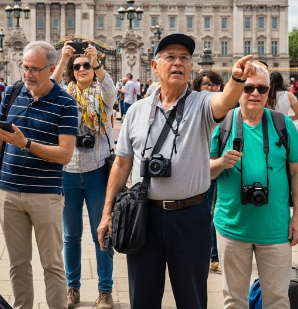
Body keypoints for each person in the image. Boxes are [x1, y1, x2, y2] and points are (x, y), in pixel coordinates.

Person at [97, 34, 257, 309]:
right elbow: (122, 164)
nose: (178, 63)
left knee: (192, 299)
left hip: (190, 217)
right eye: (170, 57)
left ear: (191, 67)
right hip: (143, 216)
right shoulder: (136, 110)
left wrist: (237, 79)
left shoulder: (201, 103)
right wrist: (106, 213)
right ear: (154, 65)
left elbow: (226, 100)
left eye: (184, 58)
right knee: (143, 299)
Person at [210, 65, 298, 309]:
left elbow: (297, 171)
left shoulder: (282, 123)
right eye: (248, 87)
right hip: (232, 227)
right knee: (234, 301)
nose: (255, 93)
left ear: (269, 91)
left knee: (277, 301)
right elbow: (205, 171)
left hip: (275, 228)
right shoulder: (221, 124)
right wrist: (221, 162)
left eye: (261, 88)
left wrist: (297, 217)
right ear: (238, 90)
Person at [0, 41, 79, 309]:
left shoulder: (66, 103)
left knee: (52, 264)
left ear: (52, 69)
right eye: (24, 67)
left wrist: (26, 144)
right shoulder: (11, 93)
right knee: (17, 263)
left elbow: (65, 154)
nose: (27, 74)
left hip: (45, 194)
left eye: (34, 69)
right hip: (8, 191)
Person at [51, 41, 117, 309]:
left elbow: (111, 90)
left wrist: (98, 62)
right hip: (67, 172)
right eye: (76, 66)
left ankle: (105, 291)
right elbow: (48, 90)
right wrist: (60, 61)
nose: (81, 69)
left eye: (86, 65)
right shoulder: (63, 95)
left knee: (101, 233)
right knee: (70, 235)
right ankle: (72, 286)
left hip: (97, 171)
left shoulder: (103, 94)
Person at [191, 70, 224, 274]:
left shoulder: (227, 109)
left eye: (215, 84)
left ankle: (214, 256)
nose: (211, 88)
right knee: (203, 213)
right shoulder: (194, 109)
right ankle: (206, 254)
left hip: (219, 166)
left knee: (214, 212)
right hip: (198, 167)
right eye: (206, 84)